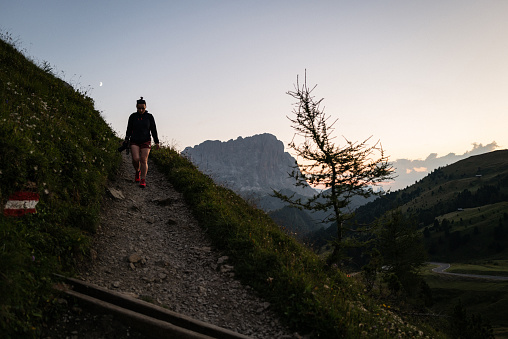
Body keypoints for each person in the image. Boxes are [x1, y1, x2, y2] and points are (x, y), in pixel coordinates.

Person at [123, 97, 159, 188]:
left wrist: (156, 141)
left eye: (143, 108)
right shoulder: (132, 116)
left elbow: (153, 129)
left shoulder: (149, 117)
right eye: (139, 108)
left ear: (146, 107)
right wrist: (126, 139)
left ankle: (143, 179)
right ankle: (137, 171)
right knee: (135, 159)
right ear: (136, 107)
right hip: (134, 140)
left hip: (146, 140)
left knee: (144, 159)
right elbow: (129, 129)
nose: (141, 110)